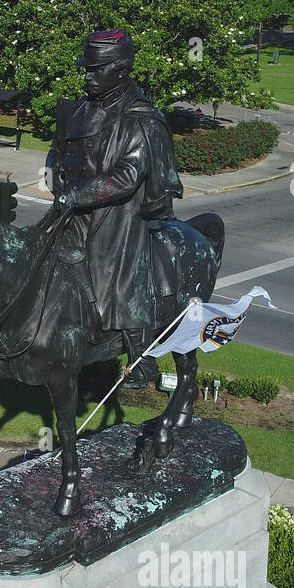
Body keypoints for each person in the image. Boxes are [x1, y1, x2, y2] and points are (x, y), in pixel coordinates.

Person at [46, 28, 184, 388]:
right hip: (73, 204)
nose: (87, 75)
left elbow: (126, 176)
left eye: (96, 69)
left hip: (121, 212)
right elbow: (60, 147)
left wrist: (75, 195)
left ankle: (141, 356)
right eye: (86, 69)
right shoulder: (78, 108)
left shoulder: (141, 118)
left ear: (121, 69)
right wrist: (57, 176)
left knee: (114, 272)